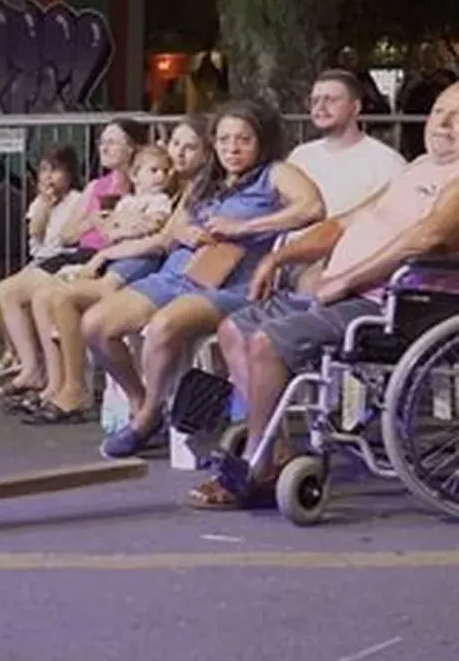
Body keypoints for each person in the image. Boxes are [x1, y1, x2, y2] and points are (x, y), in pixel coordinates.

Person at [189, 81, 459, 509]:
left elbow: (421, 241)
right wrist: (279, 259)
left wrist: (346, 279)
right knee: (233, 328)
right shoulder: (419, 167)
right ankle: (272, 451)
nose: (442, 123)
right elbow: (346, 222)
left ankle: (256, 467)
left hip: (393, 303)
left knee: (268, 343)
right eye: (439, 111)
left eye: (456, 115)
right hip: (347, 291)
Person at [83, 99, 324, 459]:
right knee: (95, 325)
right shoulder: (204, 178)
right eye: (224, 139)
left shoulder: (274, 173)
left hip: (232, 285)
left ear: (261, 140)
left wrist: (244, 227)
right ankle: (142, 403)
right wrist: (186, 233)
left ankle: (146, 418)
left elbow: (313, 207)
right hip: (177, 274)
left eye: (243, 139)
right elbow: (171, 230)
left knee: (165, 325)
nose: (232, 148)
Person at [21, 123, 210, 426]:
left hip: (151, 270)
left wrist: (104, 251)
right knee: (56, 297)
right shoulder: (162, 190)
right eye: (175, 144)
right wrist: (105, 230)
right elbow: (89, 231)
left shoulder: (183, 193)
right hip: (138, 266)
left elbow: (160, 240)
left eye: (189, 147)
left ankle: (80, 392)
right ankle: (66, 387)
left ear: (205, 153)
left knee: (67, 298)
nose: (178, 154)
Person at [0, 118, 149, 400]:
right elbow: (66, 235)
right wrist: (90, 222)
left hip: (107, 259)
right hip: (80, 252)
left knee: (43, 296)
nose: (105, 147)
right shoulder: (95, 187)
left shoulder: (142, 186)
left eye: (113, 141)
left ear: (132, 147)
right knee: (7, 290)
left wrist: (114, 226)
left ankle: (59, 382)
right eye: (103, 142)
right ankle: (32, 368)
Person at [0, 144, 83, 380]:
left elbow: (69, 237)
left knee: (10, 291)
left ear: (70, 174)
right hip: (40, 260)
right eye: (44, 170)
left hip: (62, 260)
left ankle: (30, 365)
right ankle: (18, 355)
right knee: (3, 294)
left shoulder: (77, 200)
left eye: (56, 170)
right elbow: (35, 231)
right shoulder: (40, 203)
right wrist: (45, 205)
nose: (49, 176)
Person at [286, 67, 403, 224]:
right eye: (315, 101)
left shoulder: (387, 162)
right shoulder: (299, 156)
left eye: (331, 100)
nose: (320, 107)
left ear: (355, 108)